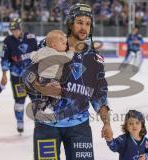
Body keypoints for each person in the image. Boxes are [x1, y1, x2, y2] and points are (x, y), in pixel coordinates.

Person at [29, 3, 112, 160]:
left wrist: (106, 123)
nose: (84, 28)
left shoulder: (95, 58)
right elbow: (27, 76)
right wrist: (41, 88)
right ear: (70, 23)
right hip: (46, 124)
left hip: (79, 127)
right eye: (80, 22)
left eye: (88, 24)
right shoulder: (49, 44)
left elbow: (100, 96)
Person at [0, 18, 38, 133]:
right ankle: (20, 121)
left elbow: (38, 54)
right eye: (12, 30)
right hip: (16, 77)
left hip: (32, 76)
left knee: (37, 99)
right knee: (19, 101)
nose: (14, 32)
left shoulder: (31, 38)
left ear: (21, 28)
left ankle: (39, 121)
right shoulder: (7, 41)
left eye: (16, 29)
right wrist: (4, 74)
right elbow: (4, 58)